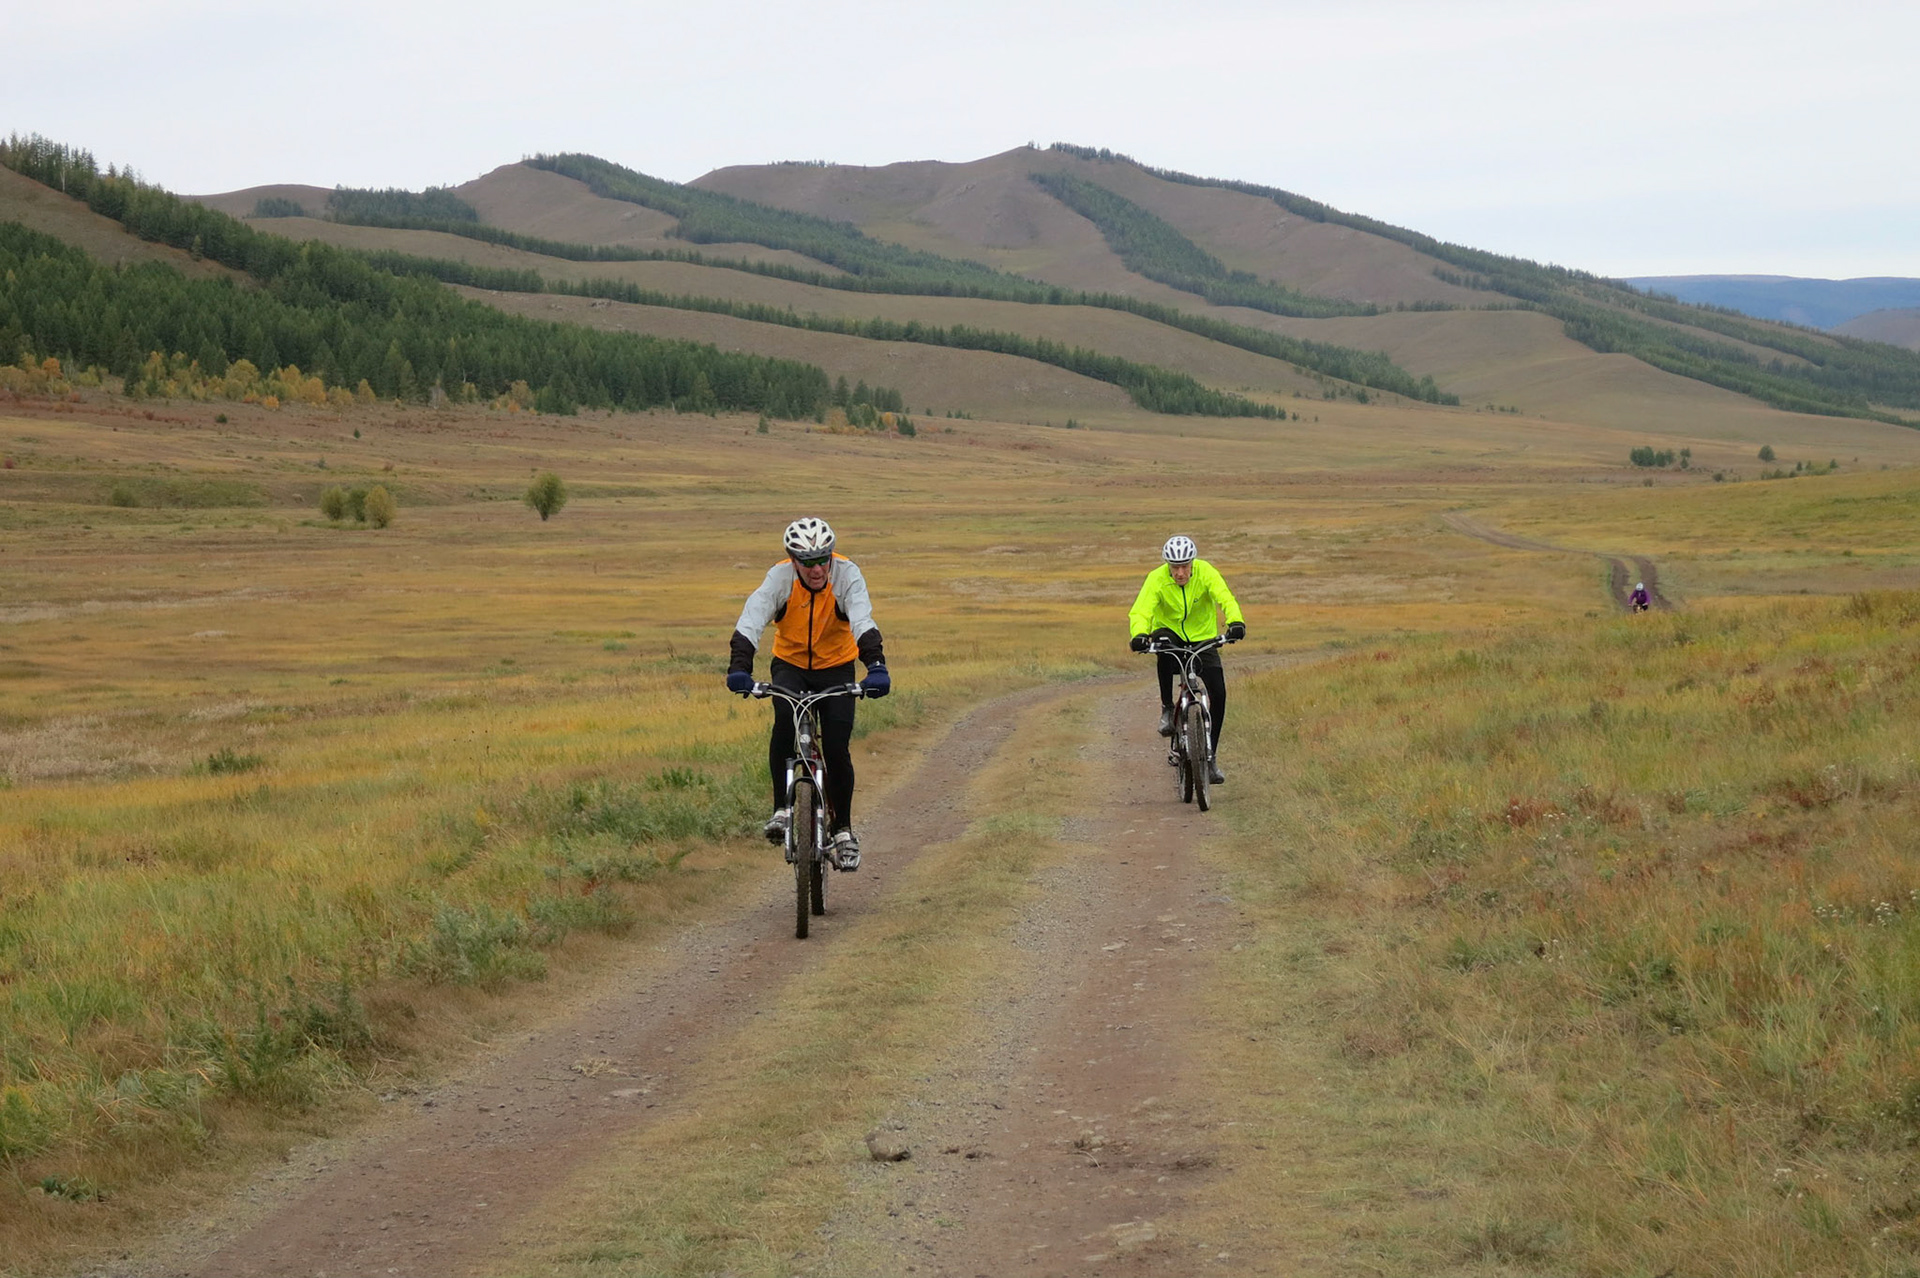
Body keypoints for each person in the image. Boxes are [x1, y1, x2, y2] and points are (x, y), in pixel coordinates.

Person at [726, 517, 889, 871]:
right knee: (785, 721)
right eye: (807, 561)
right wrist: (739, 668)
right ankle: (782, 809)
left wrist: (876, 666)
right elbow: (752, 618)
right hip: (791, 665)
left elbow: (862, 619)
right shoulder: (780, 578)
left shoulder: (847, 575)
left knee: (835, 745)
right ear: (793, 560)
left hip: (837, 666)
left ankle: (843, 830)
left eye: (823, 559)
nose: (817, 569)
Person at [1127, 534, 1245, 783]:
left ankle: (1210, 758)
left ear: (1193, 562)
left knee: (1219, 694)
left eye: (1185, 566)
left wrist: (1235, 622)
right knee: (1162, 648)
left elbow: (1225, 597)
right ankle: (1167, 709)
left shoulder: (1206, 572)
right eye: (1174, 567)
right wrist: (1138, 634)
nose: (1180, 572)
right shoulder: (1156, 579)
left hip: (1203, 638)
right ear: (1167, 565)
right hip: (1170, 635)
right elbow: (1141, 610)